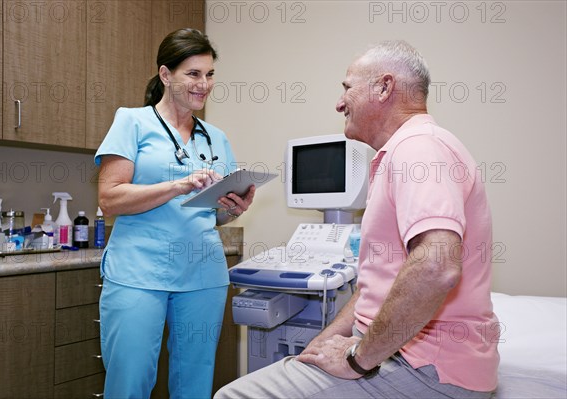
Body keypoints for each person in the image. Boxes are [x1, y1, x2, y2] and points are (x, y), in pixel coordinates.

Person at [215, 40, 499, 398]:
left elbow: (437, 266)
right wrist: (323, 344)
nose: (338, 103)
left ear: (384, 87)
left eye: (347, 88)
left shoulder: (418, 149)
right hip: (406, 354)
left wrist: (357, 359)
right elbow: (374, 287)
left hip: (426, 367)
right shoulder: (403, 151)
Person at [95, 28, 254, 399]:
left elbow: (214, 214)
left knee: (194, 383)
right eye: (193, 74)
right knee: (129, 382)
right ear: (166, 75)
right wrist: (179, 185)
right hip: (138, 272)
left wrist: (234, 208)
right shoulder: (132, 122)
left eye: (210, 74)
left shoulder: (216, 137)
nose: (204, 84)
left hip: (202, 272)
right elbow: (110, 198)